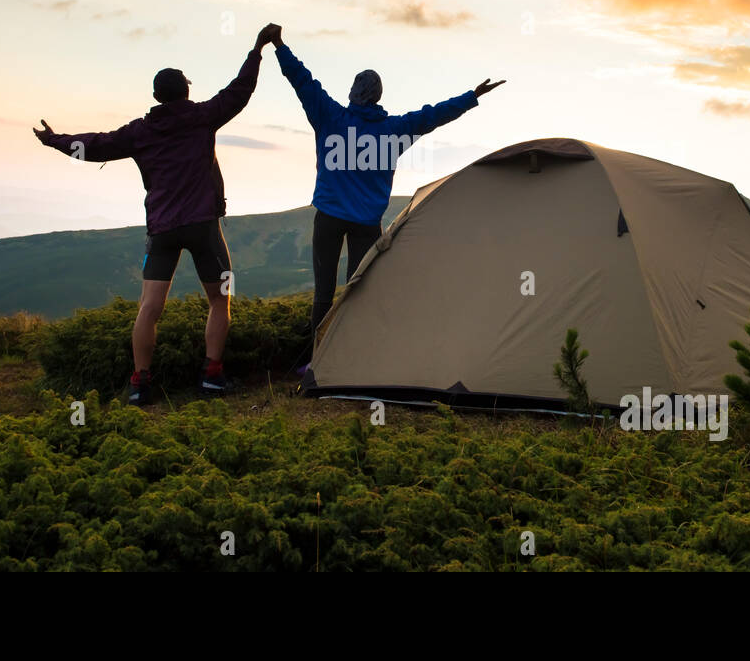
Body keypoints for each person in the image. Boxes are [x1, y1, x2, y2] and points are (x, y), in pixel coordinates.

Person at [33, 24, 279, 404]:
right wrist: (257, 48)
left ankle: (139, 383)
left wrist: (54, 141)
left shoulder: (139, 132)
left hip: (161, 229)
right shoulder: (202, 116)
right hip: (202, 226)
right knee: (220, 299)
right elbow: (239, 91)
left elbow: (94, 147)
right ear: (186, 91)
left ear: (154, 96)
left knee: (149, 307)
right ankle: (212, 376)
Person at [267, 24, 504, 362]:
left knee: (323, 290)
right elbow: (432, 116)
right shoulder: (395, 130)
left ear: (353, 92)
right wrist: (472, 97)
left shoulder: (330, 117)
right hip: (367, 223)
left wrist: (278, 44)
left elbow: (302, 80)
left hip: (330, 219)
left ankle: (317, 360)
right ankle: (351, 357)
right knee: (356, 292)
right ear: (377, 95)